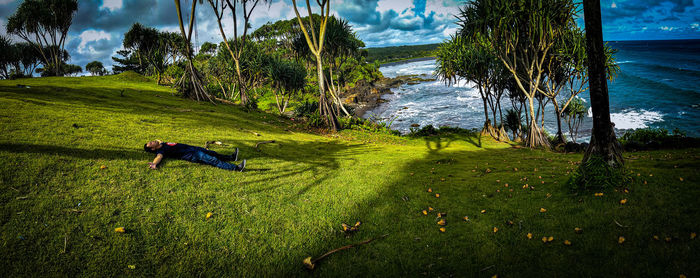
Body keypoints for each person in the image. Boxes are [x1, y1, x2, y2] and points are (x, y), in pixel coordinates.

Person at [143, 140, 246, 171]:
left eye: (150, 141)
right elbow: (159, 157)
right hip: (193, 155)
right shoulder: (161, 151)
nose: (152, 142)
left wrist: (157, 142)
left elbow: (158, 140)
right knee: (213, 160)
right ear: (152, 149)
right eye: (150, 144)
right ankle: (236, 168)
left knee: (213, 153)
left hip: (193, 148)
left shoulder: (162, 144)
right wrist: (154, 163)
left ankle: (232, 158)